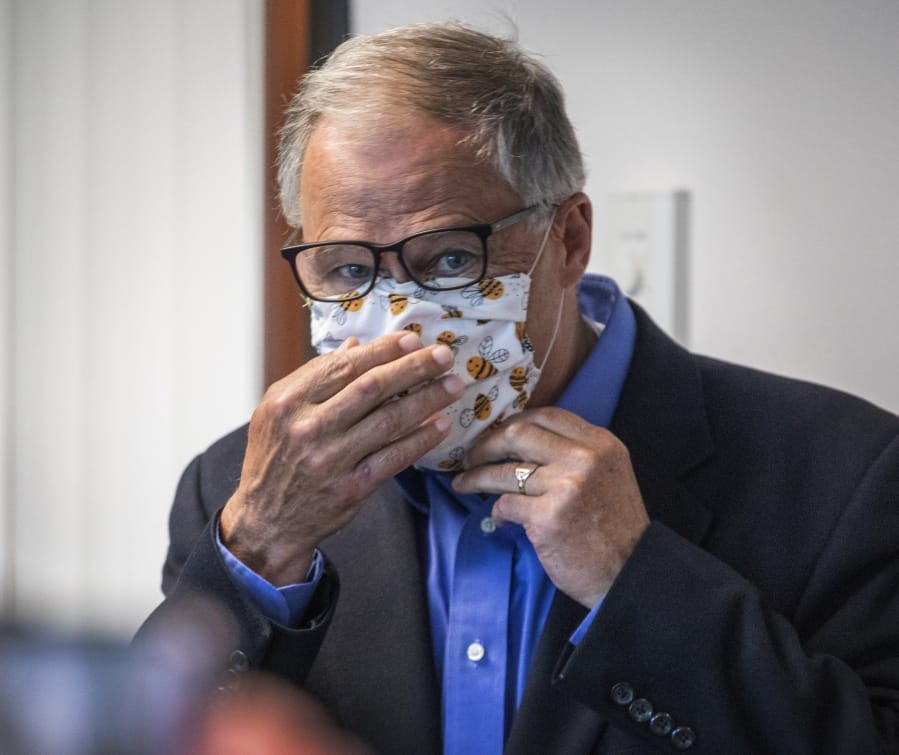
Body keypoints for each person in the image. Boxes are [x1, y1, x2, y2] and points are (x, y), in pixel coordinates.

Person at [139, 22, 899, 754]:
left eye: (445, 260)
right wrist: (262, 548)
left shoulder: (845, 475)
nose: (397, 320)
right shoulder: (234, 488)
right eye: (347, 269)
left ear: (566, 240)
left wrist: (636, 582)